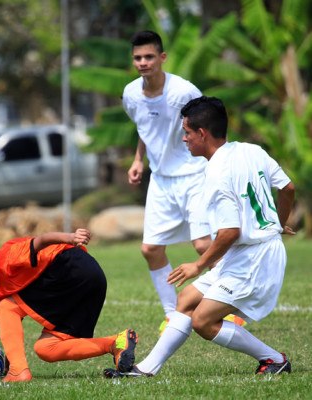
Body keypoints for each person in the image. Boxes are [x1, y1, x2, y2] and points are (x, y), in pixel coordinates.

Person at [104, 96, 295, 379]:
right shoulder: (251, 150)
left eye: (187, 133)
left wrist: (198, 265)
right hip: (251, 250)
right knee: (186, 300)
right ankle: (145, 370)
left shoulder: (217, 173)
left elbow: (231, 232)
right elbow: (288, 188)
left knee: (203, 321)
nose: (184, 139)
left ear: (202, 134)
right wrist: (276, 224)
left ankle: (274, 359)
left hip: (255, 258)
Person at [0, 227, 138, 382]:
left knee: (6, 307)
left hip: (71, 269)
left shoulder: (6, 258)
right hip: (91, 281)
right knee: (46, 348)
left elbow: (42, 240)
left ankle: (20, 373)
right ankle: (116, 343)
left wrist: (70, 237)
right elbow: (10, 329)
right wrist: (10, 362)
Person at [122, 30, 220, 330]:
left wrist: (217, 164)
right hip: (161, 181)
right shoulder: (130, 94)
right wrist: (139, 160)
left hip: (193, 176)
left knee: (204, 246)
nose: (143, 62)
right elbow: (143, 127)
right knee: (150, 249)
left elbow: (208, 126)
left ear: (162, 58)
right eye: (138, 57)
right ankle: (172, 314)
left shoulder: (184, 91)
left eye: (149, 56)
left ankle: (226, 304)